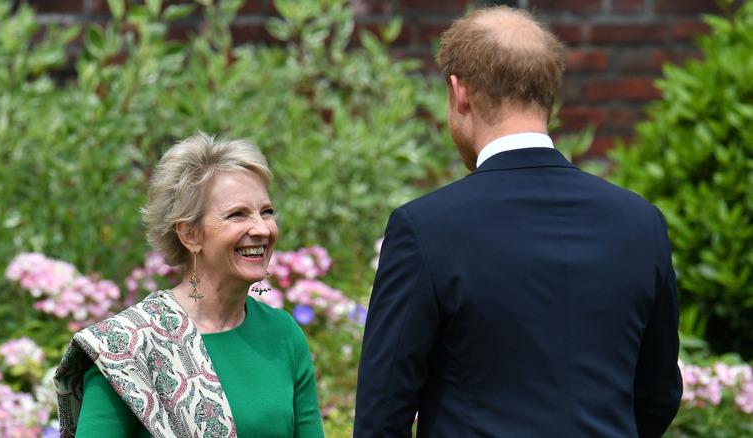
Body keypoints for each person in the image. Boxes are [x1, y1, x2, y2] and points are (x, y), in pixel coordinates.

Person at [354, 6, 682, 438]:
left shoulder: (425, 229)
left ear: (460, 93)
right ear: (549, 91)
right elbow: (657, 396)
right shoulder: (642, 224)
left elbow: (382, 415)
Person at [54, 131, 325, 437]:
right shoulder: (126, 349)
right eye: (238, 215)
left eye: (267, 212)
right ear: (190, 235)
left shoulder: (282, 335)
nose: (262, 229)